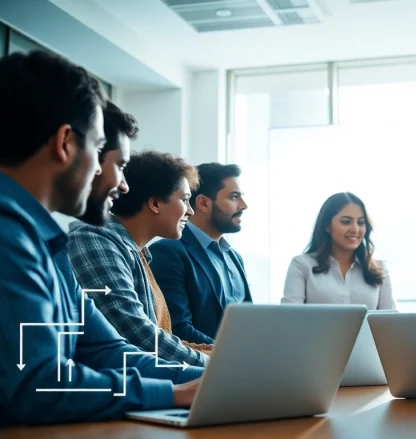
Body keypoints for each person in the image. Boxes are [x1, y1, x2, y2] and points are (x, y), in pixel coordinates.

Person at [0, 51, 201, 426]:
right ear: (65, 143)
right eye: (97, 148)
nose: (118, 183)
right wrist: (172, 394)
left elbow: (108, 350)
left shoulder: (48, 247)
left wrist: (214, 379)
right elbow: (39, 384)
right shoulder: (8, 235)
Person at [68, 150, 211, 367]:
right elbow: (136, 333)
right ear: (155, 203)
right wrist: (213, 363)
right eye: (184, 200)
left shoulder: (136, 252)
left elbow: (158, 337)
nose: (190, 211)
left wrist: (216, 353)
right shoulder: (93, 237)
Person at [149, 163, 252, 344]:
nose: (244, 205)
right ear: (203, 203)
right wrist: (232, 354)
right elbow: (176, 329)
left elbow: (250, 321)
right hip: (201, 360)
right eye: (234, 197)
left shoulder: (235, 257)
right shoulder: (168, 252)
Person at [282, 192, 396, 309]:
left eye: (361, 222)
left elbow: (390, 318)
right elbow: (289, 316)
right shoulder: (302, 265)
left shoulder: (379, 269)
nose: (355, 229)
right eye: (346, 222)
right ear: (327, 225)